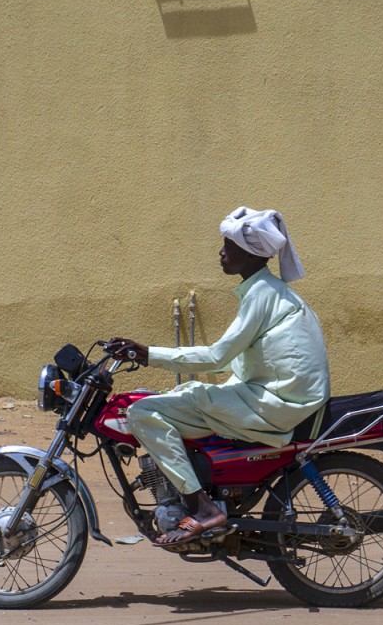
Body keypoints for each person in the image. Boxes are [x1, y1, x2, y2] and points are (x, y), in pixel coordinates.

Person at [107, 206, 330, 548]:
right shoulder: (265, 291)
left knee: (142, 411)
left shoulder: (263, 295)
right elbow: (237, 361)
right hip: (275, 395)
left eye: (229, 245)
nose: (222, 252)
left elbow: (216, 357)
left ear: (252, 253)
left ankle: (202, 508)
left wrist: (147, 354)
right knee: (189, 394)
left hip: (279, 402)